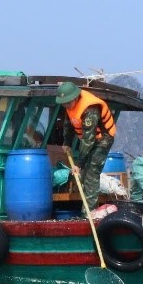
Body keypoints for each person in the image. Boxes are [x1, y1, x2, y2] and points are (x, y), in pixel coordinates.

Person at [55, 80, 115, 208]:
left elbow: (89, 140)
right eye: (64, 104)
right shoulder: (69, 106)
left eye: (68, 103)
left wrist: (78, 164)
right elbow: (68, 123)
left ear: (76, 98)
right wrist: (67, 142)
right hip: (89, 139)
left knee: (91, 173)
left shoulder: (90, 109)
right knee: (82, 175)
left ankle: (89, 213)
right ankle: (83, 207)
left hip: (103, 139)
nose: (66, 106)